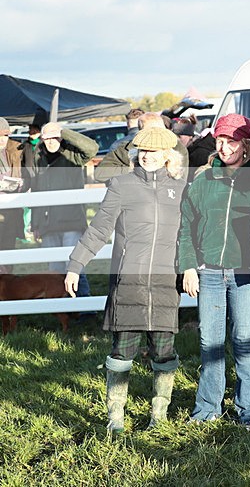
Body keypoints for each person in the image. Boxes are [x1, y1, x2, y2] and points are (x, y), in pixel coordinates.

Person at [64, 126, 186, 432]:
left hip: (165, 284)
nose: (147, 157)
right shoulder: (121, 185)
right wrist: (76, 264)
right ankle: (115, 418)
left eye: (154, 152)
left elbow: (189, 234)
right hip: (128, 282)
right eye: (143, 151)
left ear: (167, 156)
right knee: (121, 353)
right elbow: (99, 229)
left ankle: (159, 416)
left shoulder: (181, 187)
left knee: (164, 352)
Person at [178, 114, 250, 429]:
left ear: (245, 144)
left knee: (245, 339)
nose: (224, 147)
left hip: (247, 273)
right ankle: (207, 409)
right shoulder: (203, 179)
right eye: (220, 140)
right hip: (211, 273)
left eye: (231, 141)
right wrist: (189, 266)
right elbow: (186, 227)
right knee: (209, 341)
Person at [29, 122, 98, 298]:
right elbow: (37, 190)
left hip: (71, 221)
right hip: (47, 224)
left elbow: (92, 148)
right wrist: (35, 223)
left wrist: (64, 132)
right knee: (54, 270)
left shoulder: (72, 155)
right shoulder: (38, 157)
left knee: (74, 265)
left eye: (55, 137)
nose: (51, 142)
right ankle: (63, 310)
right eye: (46, 138)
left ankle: (84, 307)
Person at [95, 113, 189, 183]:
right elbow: (100, 174)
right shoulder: (125, 149)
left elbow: (180, 179)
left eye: (158, 131)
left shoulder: (176, 147)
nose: (154, 135)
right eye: (149, 132)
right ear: (140, 132)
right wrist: (134, 169)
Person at [0, 118, 28, 274]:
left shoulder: (18, 150)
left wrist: (24, 184)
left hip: (13, 209)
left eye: (5, 135)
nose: (2, 139)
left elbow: (28, 174)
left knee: (9, 248)